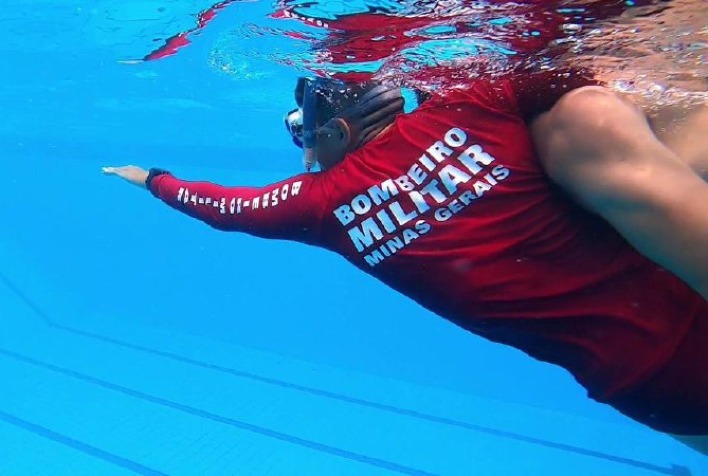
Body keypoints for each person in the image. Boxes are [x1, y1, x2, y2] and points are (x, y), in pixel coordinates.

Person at [102, 71, 708, 454]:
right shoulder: (473, 104)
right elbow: (559, 58)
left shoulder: (320, 205)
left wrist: (150, 178)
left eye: (303, 132)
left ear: (335, 131)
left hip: (643, 385)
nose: (303, 146)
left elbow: (221, 207)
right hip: (689, 285)